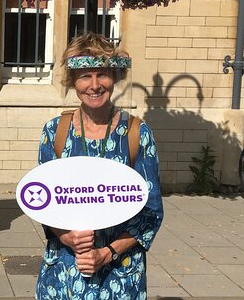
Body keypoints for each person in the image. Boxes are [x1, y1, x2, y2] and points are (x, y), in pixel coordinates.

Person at [35, 32, 164, 300]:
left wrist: (107, 253)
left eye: (102, 74)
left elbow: (151, 212)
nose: (94, 85)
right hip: (65, 271)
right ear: (73, 81)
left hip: (119, 273)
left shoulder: (136, 133)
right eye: (84, 76)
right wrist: (66, 236)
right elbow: (43, 201)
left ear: (115, 77)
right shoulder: (55, 132)